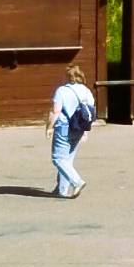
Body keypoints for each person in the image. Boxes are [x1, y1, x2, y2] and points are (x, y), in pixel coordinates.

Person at [47, 62, 98, 200]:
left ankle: (77, 182)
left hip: (64, 127)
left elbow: (56, 111)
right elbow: (89, 113)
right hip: (79, 128)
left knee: (58, 158)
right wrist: (86, 131)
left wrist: (49, 127)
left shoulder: (62, 91)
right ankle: (61, 190)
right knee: (67, 160)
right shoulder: (87, 91)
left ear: (68, 77)